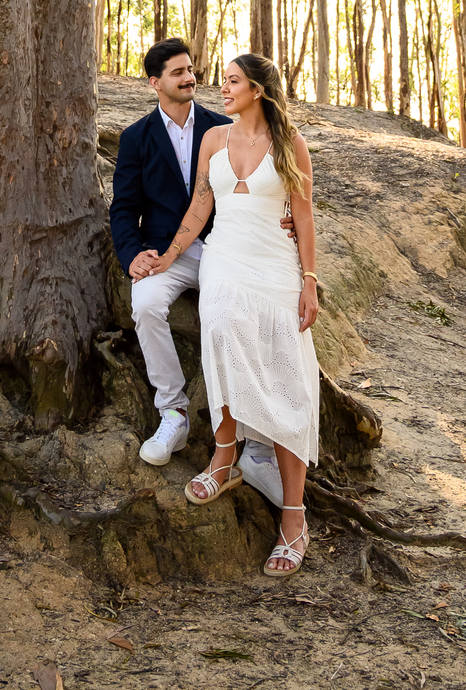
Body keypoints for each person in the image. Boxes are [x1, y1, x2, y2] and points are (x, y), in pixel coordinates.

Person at [140, 52, 319, 578]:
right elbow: (200, 206)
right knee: (220, 341)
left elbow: (304, 216)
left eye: (232, 82)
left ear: (258, 90)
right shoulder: (213, 140)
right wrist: (168, 258)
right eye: (222, 82)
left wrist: (310, 282)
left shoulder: (291, 145)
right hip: (223, 260)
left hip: (275, 269)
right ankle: (224, 457)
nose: (221, 89)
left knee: (285, 374)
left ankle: (293, 517)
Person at [109, 38, 284, 504]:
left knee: (237, 315)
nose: (190, 78)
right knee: (145, 305)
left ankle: (255, 440)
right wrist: (132, 256)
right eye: (177, 72)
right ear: (155, 83)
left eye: (190, 69)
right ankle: (175, 414)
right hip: (164, 251)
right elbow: (122, 210)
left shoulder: (223, 126)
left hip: (223, 248)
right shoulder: (135, 138)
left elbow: (256, 186)